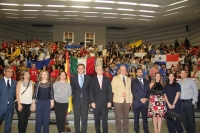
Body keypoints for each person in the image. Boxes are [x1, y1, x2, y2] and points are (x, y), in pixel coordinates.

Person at [90, 65, 112, 133]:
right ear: (96, 70)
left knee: (105, 120)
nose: (101, 70)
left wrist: (109, 101)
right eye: (99, 69)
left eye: (101, 69)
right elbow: (91, 91)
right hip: (96, 103)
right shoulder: (92, 79)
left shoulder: (107, 79)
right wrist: (92, 102)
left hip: (105, 103)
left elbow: (109, 91)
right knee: (97, 120)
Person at [70, 64, 91, 133]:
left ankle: (84, 131)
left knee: (84, 118)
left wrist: (90, 101)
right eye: (79, 68)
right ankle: (77, 131)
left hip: (85, 100)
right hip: (76, 100)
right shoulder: (73, 78)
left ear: (84, 69)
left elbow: (90, 90)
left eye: (82, 68)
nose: (81, 69)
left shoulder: (88, 78)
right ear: (77, 69)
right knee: (76, 117)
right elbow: (72, 89)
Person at [111, 66, 133, 133]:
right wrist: (121, 93)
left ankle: (126, 130)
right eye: (122, 70)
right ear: (119, 70)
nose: (123, 71)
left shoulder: (129, 79)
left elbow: (130, 91)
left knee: (126, 117)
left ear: (126, 71)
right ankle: (118, 131)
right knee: (118, 117)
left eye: (124, 70)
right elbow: (113, 89)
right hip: (118, 100)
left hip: (127, 101)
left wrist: (130, 100)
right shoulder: (115, 78)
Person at [178, 69, 198, 133]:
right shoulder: (178, 83)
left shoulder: (191, 81)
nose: (183, 74)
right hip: (181, 102)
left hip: (189, 102)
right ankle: (188, 131)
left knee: (191, 118)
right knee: (184, 119)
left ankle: (192, 131)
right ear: (179, 74)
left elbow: (195, 91)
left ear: (186, 74)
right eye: (182, 73)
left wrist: (194, 101)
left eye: (185, 73)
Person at [131, 68, 150, 133]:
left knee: (145, 118)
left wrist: (146, 98)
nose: (140, 73)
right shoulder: (133, 81)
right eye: (138, 72)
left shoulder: (146, 81)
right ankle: (136, 130)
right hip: (137, 102)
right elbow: (134, 92)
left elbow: (148, 91)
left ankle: (146, 130)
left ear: (143, 73)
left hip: (145, 102)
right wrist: (141, 99)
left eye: (141, 72)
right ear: (136, 73)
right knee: (136, 118)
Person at [0, 65, 17, 133]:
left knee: (8, 124)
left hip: (10, 107)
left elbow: (17, 93)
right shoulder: (0, 82)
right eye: (8, 71)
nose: (10, 73)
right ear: (4, 72)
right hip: (1, 106)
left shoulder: (15, 82)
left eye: (11, 72)